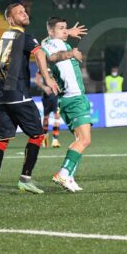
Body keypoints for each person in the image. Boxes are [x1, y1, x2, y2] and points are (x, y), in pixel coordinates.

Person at [0, 3, 62, 196]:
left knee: (2, 139)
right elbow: (40, 54)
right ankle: (25, 179)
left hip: (0, 97)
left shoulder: (2, 38)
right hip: (17, 94)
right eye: (19, 13)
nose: (25, 14)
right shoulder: (24, 37)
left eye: (25, 11)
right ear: (10, 19)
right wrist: (48, 78)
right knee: (37, 135)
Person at [43, 17, 93, 192]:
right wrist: (71, 53)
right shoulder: (55, 46)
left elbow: (49, 43)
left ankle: (68, 177)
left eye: (66, 28)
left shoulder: (51, 42)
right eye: (61, 28)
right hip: (74, 97)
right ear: (51, 32)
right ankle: (63, 174)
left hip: (71, 98)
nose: (65, 31)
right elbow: (53, 57)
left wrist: (68, 32)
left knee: (80, 140)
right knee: (85, 139)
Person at [35, 70, 61, 148]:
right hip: (46, 96)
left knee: (57, 116)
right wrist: (44, 87)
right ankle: (44, 138)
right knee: (46, 118)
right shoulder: (42, 67)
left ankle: (55, 140)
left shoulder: (56, 65)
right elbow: (37, 81)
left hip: (56, 95)